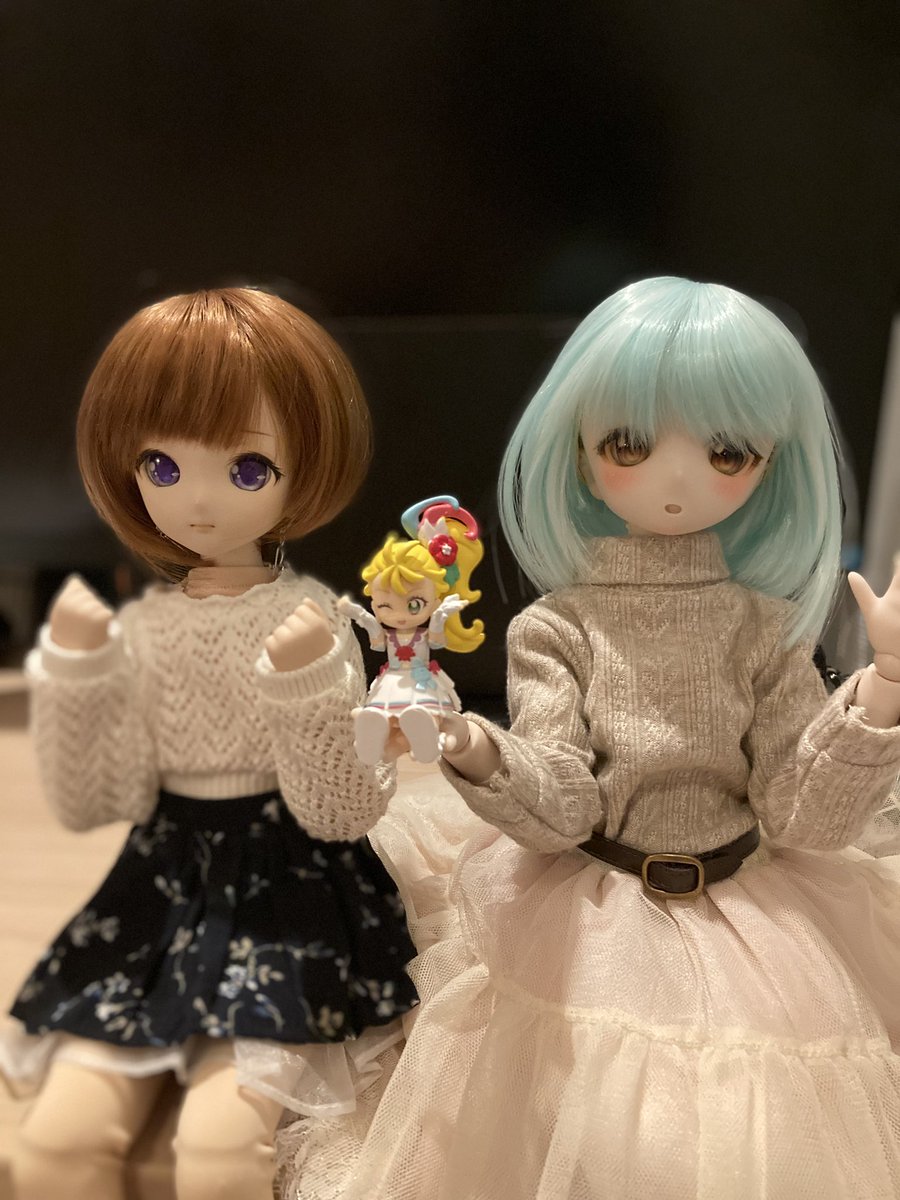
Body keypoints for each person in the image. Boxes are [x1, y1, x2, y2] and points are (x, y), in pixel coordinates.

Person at [294, 278, 900, 1200]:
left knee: (757, 1131)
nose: (676, 478)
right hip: (595, 911)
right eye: (629, 444)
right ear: (579, 452)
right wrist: (473, 746)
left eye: (727, 451)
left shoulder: (765, 629)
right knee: (590, 1127)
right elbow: (562, 805)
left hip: (754, 916)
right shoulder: (557, 629)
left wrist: (882, 693)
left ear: (771, 464)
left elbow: (801, 814)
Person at [1, 287, 418, 1200]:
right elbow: (98, 798)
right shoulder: (144, 630)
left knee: (220, 1154)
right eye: (160, 465)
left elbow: (341, 810)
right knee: (57, 1149)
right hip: (160, 889)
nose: (195, 501)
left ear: (304, 468)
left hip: (286, 895)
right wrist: (75, 672)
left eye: (245, 469)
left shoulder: (318, 619)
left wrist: (308, 683)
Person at [339, 496, 484, 765]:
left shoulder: (425, 633)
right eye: (385, 606)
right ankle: (375, 737)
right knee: (386, 718)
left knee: (426, 713)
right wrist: (361, 616)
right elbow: (377, 642)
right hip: (393, 680)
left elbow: (437, 642)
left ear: (435, 599)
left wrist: (440, 617)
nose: (399, 616)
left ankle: (425, 738)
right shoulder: (388, 635)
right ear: (374, 603)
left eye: (414, 605)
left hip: (421, 681)